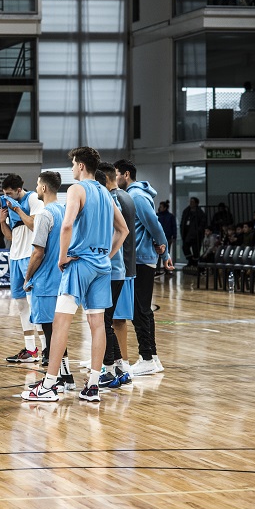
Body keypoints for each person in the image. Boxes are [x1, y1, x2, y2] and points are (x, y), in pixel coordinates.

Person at [22, 147, 127, 403]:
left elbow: (67, 224)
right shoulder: (105, 192)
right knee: (98, 324)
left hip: (80, 264)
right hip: (102, 266)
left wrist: (62, 256)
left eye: (72, 164)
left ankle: (49, 385)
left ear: (80, 166)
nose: (71, 169)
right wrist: (107, 255)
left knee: (60, 323)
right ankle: (92, 386)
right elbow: (122, 230)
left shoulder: (76, 189)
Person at [115, 159, 174, 376]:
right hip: (140, 257)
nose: (115, 178)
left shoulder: (137, 196)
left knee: (139, 310)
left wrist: (165, 252)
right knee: (142, 310)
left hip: (141, 258)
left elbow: (155, 226)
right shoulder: (135, 194)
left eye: (117, 174)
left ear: (127, 174)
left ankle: (146, 357)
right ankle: (153, 357)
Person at [21, 171, 74, 390]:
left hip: (45, 282)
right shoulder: (64, 211)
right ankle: (66, 375)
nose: (35, 189)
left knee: (51, 332)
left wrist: (28, 275)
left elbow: (38, 253)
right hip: (63, 280)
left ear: (43, 188)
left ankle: (57, 379)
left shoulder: (44, 215)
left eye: (36, 185)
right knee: (58, 330)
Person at [96, 163, 136, 389]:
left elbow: (122, 231)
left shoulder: (112, 200)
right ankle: (120, 368)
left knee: (103, 322)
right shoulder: (119, 197)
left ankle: (110, 370)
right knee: (107, 322)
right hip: (116, 269)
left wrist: (106, 256)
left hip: (111, 270)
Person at [0, 173, 45, 365]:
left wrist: (17, 209)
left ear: (19, 190)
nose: (7, 196)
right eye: (5, 194)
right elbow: (10, 236)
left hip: (30, 255)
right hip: (15, 256)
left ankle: (46, 349)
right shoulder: (11, 206)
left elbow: (34, 225)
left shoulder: (33, 198)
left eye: (10, 193)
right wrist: (2, 221)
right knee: (21, 305)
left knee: (34, 305)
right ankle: (30, 349)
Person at [180, 196, 206, 266]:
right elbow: (183, 222)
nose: (191, 203)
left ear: (196, 203)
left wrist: (198, 231)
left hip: (196, 234)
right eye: (190, 202)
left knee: (196, 250)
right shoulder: (186, 211)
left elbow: (202, 223)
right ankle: (190, 260)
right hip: (187, 233)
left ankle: (195, 263)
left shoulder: (200, 213)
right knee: (185, 247)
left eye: (192, 202)